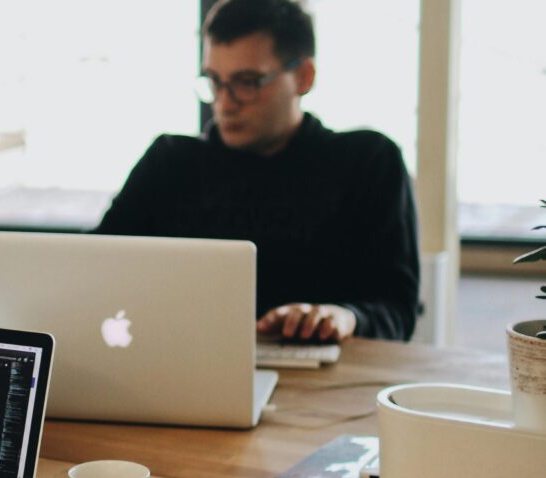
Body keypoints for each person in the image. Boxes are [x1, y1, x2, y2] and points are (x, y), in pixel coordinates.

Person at [96, 0, 420, 342]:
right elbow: (93, 267)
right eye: (215, 82)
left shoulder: (368, 162)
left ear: (304, 77)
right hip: (183, 368)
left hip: (326, 382)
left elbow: (397, 311)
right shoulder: (169, 162)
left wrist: (345, 317)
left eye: (247, 82)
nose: (225, 102)